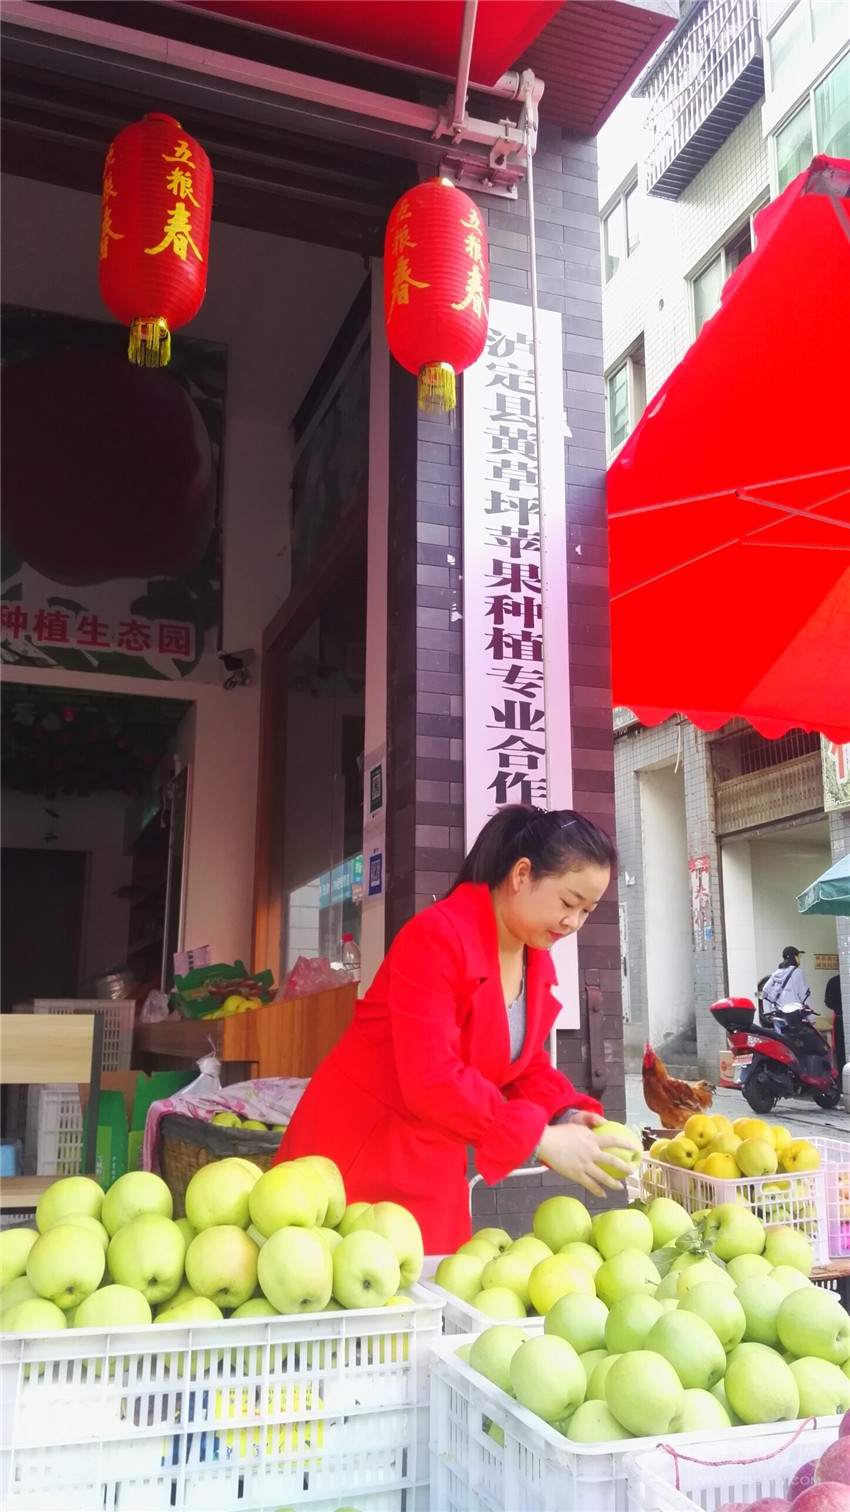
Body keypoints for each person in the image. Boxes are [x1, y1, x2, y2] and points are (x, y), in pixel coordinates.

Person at [274, 804, 632, 1252]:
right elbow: (431, 1076)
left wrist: (564, 1114)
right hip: (359, 1149)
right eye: (567, 902)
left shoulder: (532, 956)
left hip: (435, 1155)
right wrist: (539, 1138)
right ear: (522, 874)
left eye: (587, 910)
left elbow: (522, 1065)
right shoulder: (436, 936)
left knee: (432, 1282)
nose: (573, 922)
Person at [761, 946, 812, 1016]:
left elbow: (765, 991)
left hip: (777, 1013)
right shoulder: (798, 973)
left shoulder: (776, 973)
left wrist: (767, 1012)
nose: (799, 958)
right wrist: (811, 1017)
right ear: (795, 957)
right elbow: (804, 995)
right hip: (794, 1014)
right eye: (799, 956)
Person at [826, 974, 845, 1072]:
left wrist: (837, 1007)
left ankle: (843, 1076)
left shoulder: (833, 981)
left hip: (839, 1018)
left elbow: (828, 1001)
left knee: (840, 1050)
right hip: (841, 1017)